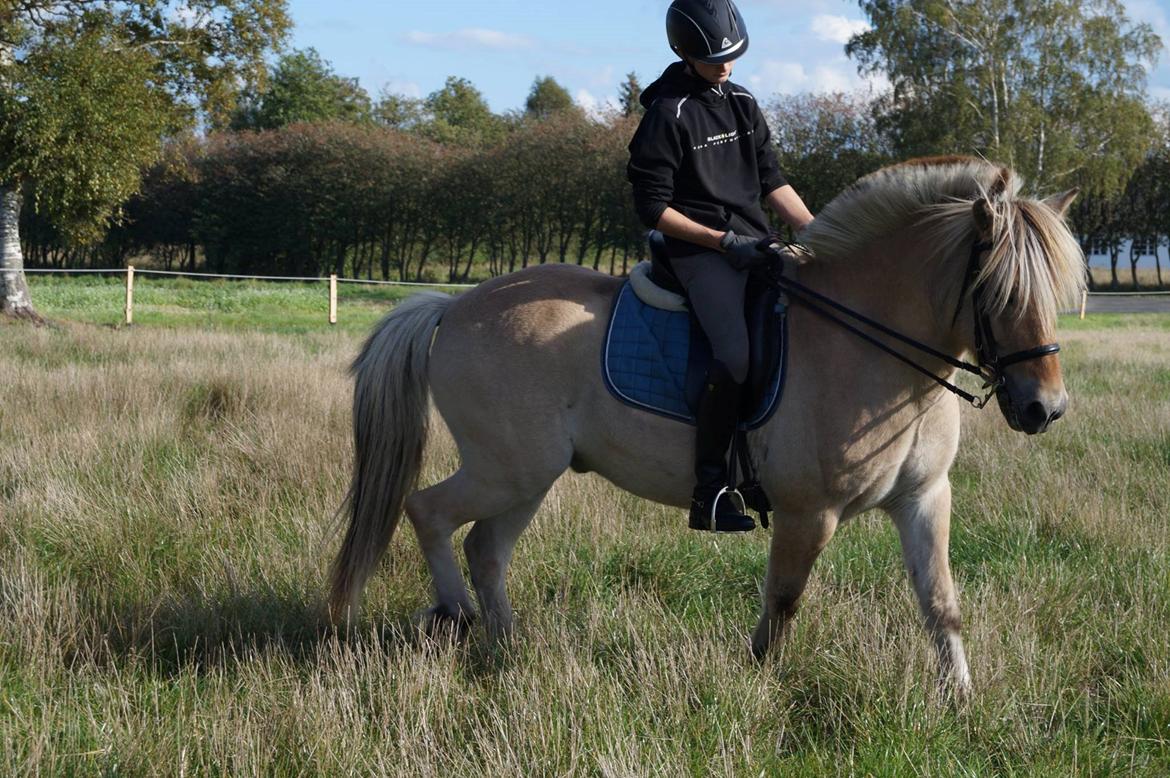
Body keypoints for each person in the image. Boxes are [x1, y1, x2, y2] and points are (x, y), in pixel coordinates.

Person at [627, 0, 815, 533]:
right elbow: (652, 207)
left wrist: (818, 233)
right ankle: (709, 490)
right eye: (713, 59)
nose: (725, 66)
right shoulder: (668, 114)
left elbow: (772, 179)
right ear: (683, 52)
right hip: (698, 253)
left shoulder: (742, 101)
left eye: (732, 56)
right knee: (734, 357)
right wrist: (721, 242)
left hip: (755, 243)